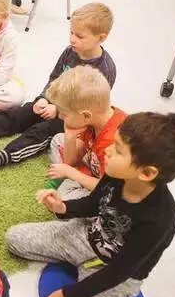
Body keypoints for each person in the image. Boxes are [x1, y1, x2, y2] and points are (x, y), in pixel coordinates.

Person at [5, 112, 175, 297]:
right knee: (14, 238)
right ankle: (74, 261)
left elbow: (119, 272)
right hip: (87, 237)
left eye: (118, 149)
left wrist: (67, 296)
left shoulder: (160, 220)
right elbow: (93, 204)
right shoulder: (116, 174)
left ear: (147, 173)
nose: (107, 151)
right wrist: (63, 208)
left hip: (115, 273)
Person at [0, 3, 116, 175]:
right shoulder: (70, 51)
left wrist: (58, 110)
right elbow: (54, 78)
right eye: (71, 32)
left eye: (80, 36)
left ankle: (1, 158)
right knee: (19, 113)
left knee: (41, 131)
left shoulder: (105, 69)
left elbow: (90, 108)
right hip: (52, 103)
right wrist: (43, 98)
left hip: (71, 118)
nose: (72, 39)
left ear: (101, 38)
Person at [44, 66, 127, 200]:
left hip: (105, 185)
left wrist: (71, 173)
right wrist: (70, 136)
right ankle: (67, 176)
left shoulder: (112, 142)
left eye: (64, 114)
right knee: (58, 139)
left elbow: (107, 187)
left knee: (64, 198)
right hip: (91, 165)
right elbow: (71, 161)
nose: (60, 117)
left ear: (86, 116)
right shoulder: (94, 118)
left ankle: (67, 178)